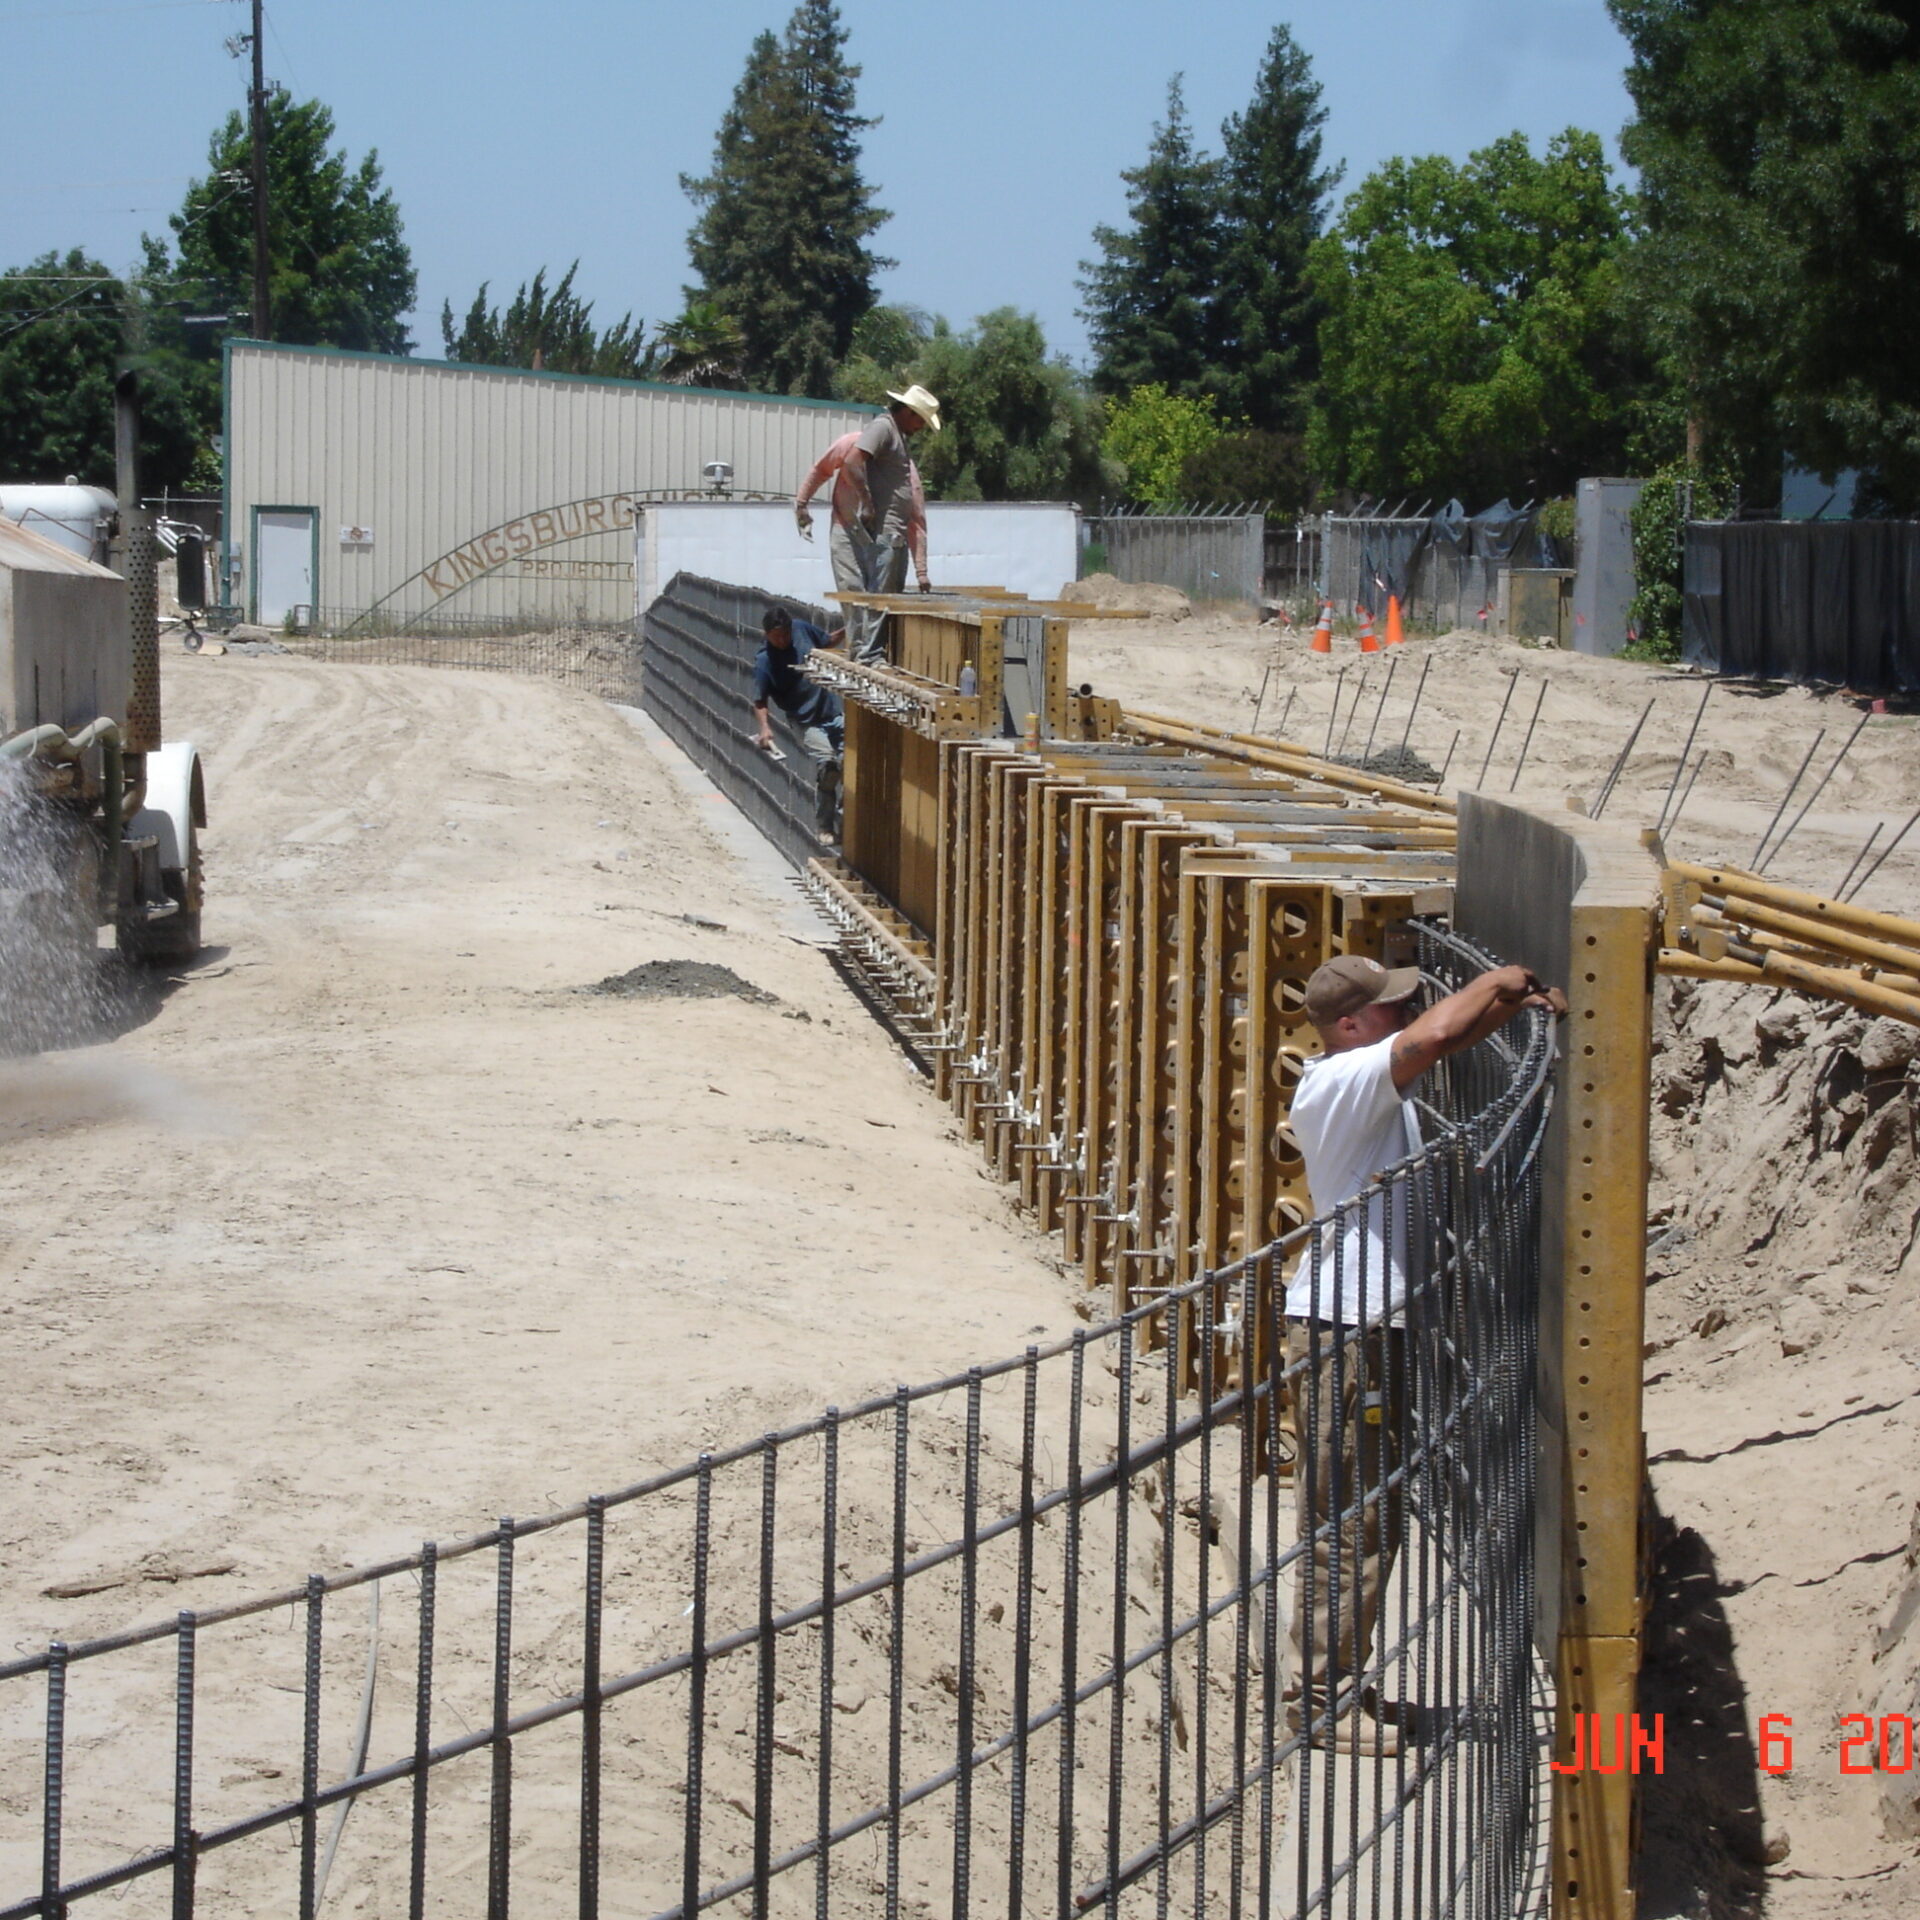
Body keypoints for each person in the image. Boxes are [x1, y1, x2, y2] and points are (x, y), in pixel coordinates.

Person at [1283, 952, 1565, 1756]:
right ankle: (1321, 1701)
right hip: (1346, 1330)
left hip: (1365, 1328)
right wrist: (1505, 979)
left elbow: (1447, 1034)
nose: (1403, 1017)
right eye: (1388, 1009)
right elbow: (1439, 1033)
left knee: (1369, 1517)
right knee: (1349, 1522)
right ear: (1348, 1025)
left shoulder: (1371, 1082)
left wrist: (1512, 1007)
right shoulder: (1338, 1084)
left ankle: (1341, 1682)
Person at [836, 384, 940, 663]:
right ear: (907, 412)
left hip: (893, 531)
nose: (919, 427)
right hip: (884, 531)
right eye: (919, 420)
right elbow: (851, 462)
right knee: (880, 597)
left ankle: (873, 652)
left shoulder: (895, 433)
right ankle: (869, 655)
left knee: (887, 597)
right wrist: (868, 502)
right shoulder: (883, 427)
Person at [795, 435, 934, 624]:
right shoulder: (850, 443)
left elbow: (915, 518)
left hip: (882, 532)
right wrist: (802, 503)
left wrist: (921, 571)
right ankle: (860, 648)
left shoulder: (905, 468)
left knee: (883, 597)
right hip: (846, 524)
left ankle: (878, 646)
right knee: (851, 590)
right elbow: (821, 469)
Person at [751, 607, 845, 843]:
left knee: (851, 766)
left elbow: (829, 641)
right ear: (766, 635)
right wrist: (764, 728)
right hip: (805, 721)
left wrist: (853, 627)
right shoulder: (765, 661)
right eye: (776, 636)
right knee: (829, 765)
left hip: (834, 713)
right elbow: (760, 700)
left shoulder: (802, 630)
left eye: (785, 634)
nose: (782, 640)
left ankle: (847, 823)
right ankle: (825, 826)